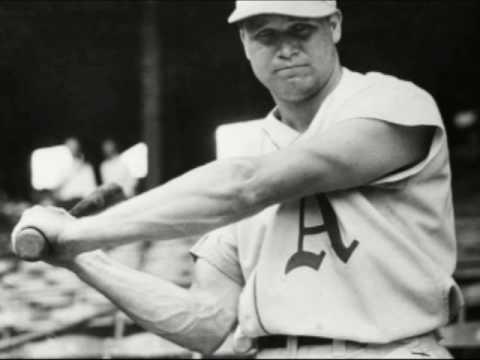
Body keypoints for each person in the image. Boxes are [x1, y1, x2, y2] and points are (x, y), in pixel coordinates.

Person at [12, 1, 462, 358]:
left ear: (335, 26)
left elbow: (247, 185)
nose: (285, 49)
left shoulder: (394, 104)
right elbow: (206, 324)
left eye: (301, 30)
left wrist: (79, 230)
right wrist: (77, 255)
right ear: (244, 42)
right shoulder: (249, 151)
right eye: (266, 35)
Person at [52, 137, 97, 208]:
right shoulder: (60, 167)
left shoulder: (86, 168)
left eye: (74, 146)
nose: (72, 149)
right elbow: (56, 191)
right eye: (69, 146)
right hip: (65, 203)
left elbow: (91, 189)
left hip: (81, 202)